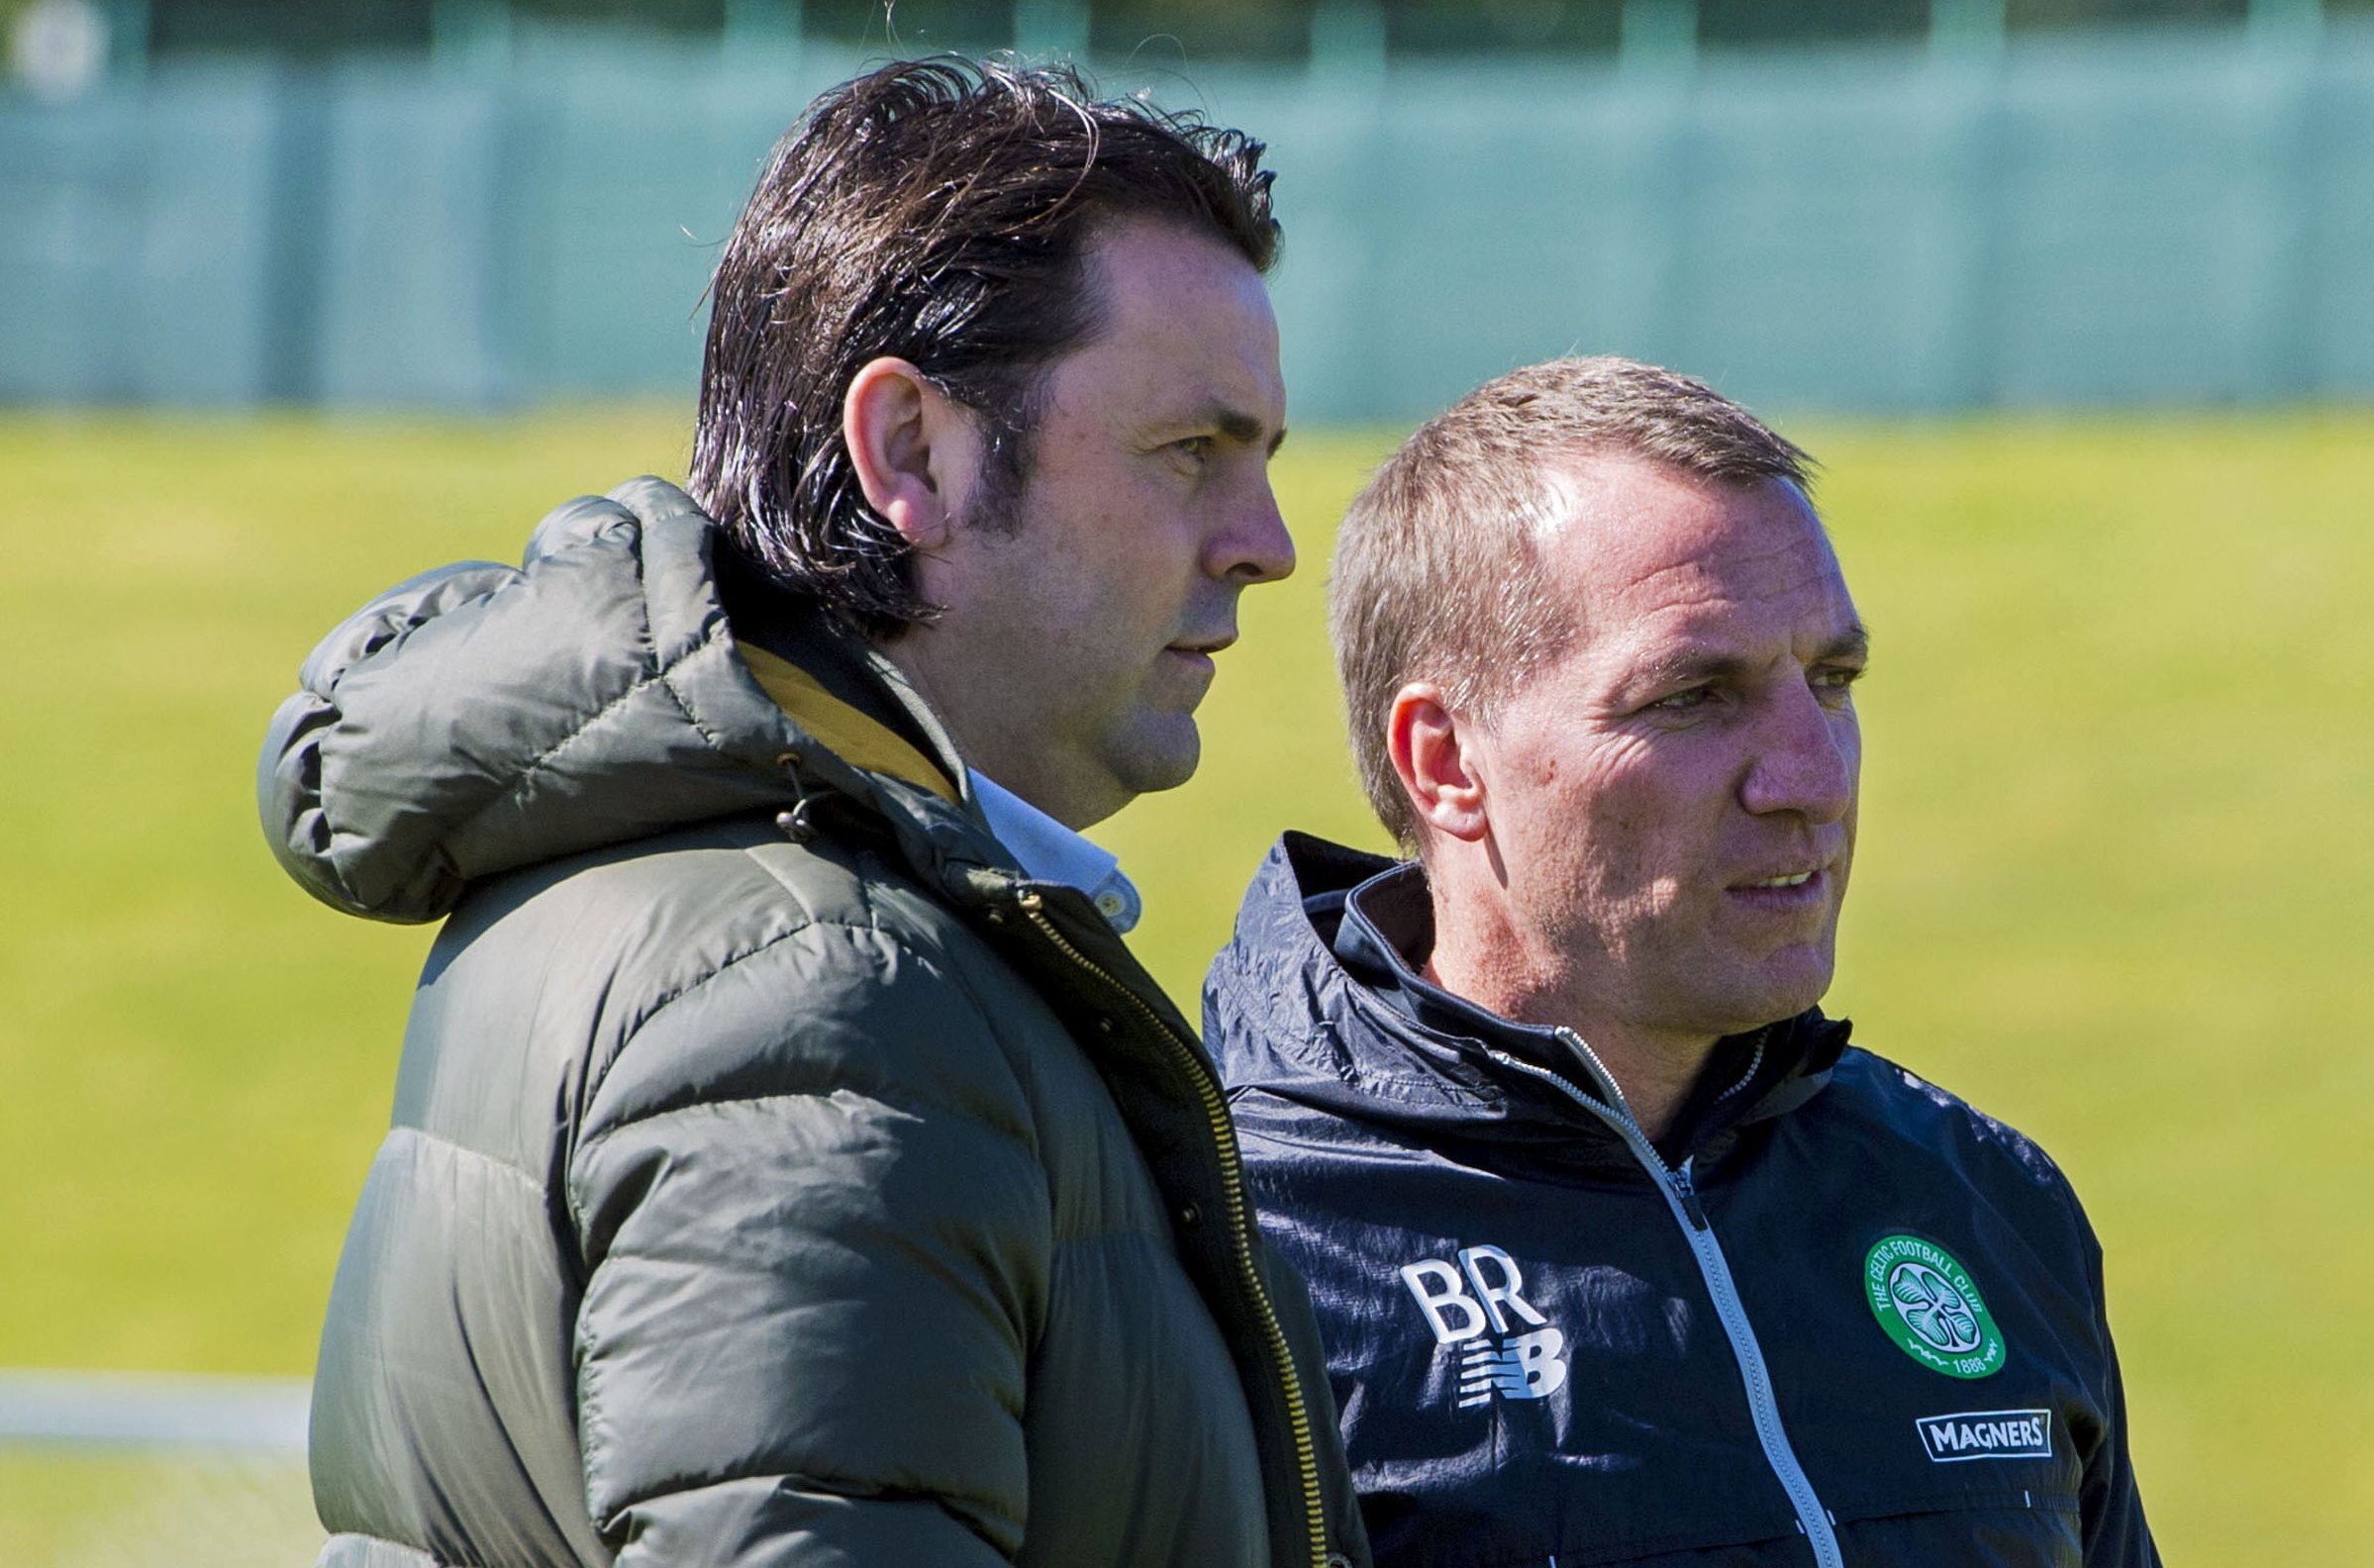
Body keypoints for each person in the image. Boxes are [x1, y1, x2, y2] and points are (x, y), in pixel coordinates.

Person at [260, 58, 1367, 1568]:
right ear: (913, 451)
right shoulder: (826, 999)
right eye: (1192, 451)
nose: (1267, 547)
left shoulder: (707, 892)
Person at [1206, 356, 2158, 1567]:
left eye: (1831, 680)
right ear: (1445, 761)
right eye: (1695, 696)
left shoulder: (1979, 1198)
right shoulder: (1227, 1249)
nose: (1810, 780)